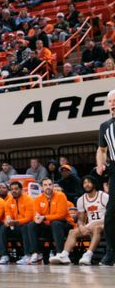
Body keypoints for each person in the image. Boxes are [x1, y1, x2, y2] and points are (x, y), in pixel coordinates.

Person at [50, 176, 108, 265]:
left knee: (97, 228)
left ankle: (88, 255)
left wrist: (93, 223)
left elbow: (111, 215)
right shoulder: (81, 200)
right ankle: (64, 255)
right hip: (90, 227)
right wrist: (81, 226)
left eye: (89, 182)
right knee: (72, 232)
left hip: (106, 225)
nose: (86, 184)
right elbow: (80, 219)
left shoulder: (103, 196)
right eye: (84, 183)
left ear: (94, 184)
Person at [25, 178, 71, 265]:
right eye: (45, 185)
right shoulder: (37, 199)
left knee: (55, 223)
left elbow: (61, 215)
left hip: (63, 225)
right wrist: (37, 219)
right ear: (42, 187)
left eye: (50, 184)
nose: (48, 187)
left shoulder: (61, 196)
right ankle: (36, 253)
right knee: (31, 225)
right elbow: (37, 215)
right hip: (47, 227)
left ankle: (60, 253)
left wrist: (45, 217)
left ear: (53, 186)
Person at [97, 89, 115, 266]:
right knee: (110, 214)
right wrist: (101, 164)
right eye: (110, 101)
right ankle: (111, 252)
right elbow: (102, 150)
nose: (113, 103)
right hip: (114, 169)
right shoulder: (105, 126)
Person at [3, 181, 35, 265]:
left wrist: (15, 222)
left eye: (16, 189)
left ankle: (27, 255)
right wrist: (7, 221)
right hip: (15, 227)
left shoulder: (28, 200)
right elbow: (7, 215)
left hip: (25, 226)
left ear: (21, 190)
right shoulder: (8, 202)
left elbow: (29, 218)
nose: (14, 191)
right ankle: (4, 255)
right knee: (2, 228)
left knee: (26, 226)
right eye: (12, 189)